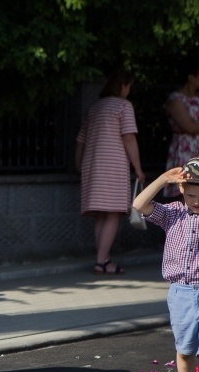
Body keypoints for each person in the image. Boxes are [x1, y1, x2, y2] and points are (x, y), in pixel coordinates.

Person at [132, 159, 199, 372]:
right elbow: (138, 206)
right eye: (191, 195)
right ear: (182, 191)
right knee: (185, 351)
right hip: (181, 292)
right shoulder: (172, 213)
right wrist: (164, 179)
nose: (197, 202)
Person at [75, 67, 145, 275]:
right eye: (129, 86)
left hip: (92, 164)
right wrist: (138, 168)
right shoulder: (124, 106)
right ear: (123, 86)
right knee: (114, 213)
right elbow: (129, 138)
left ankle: (103, 258)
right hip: (113, 164)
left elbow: (80, 139)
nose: (129, 91)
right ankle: (102, 261)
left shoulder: (95, 107)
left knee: (101, 215)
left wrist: (79, 164)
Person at [164, 58, 199, 198]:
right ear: (191, 77)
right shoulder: (176, 99)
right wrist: (195, 127)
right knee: (187, 190)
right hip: (186, 150)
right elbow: (188, 126)